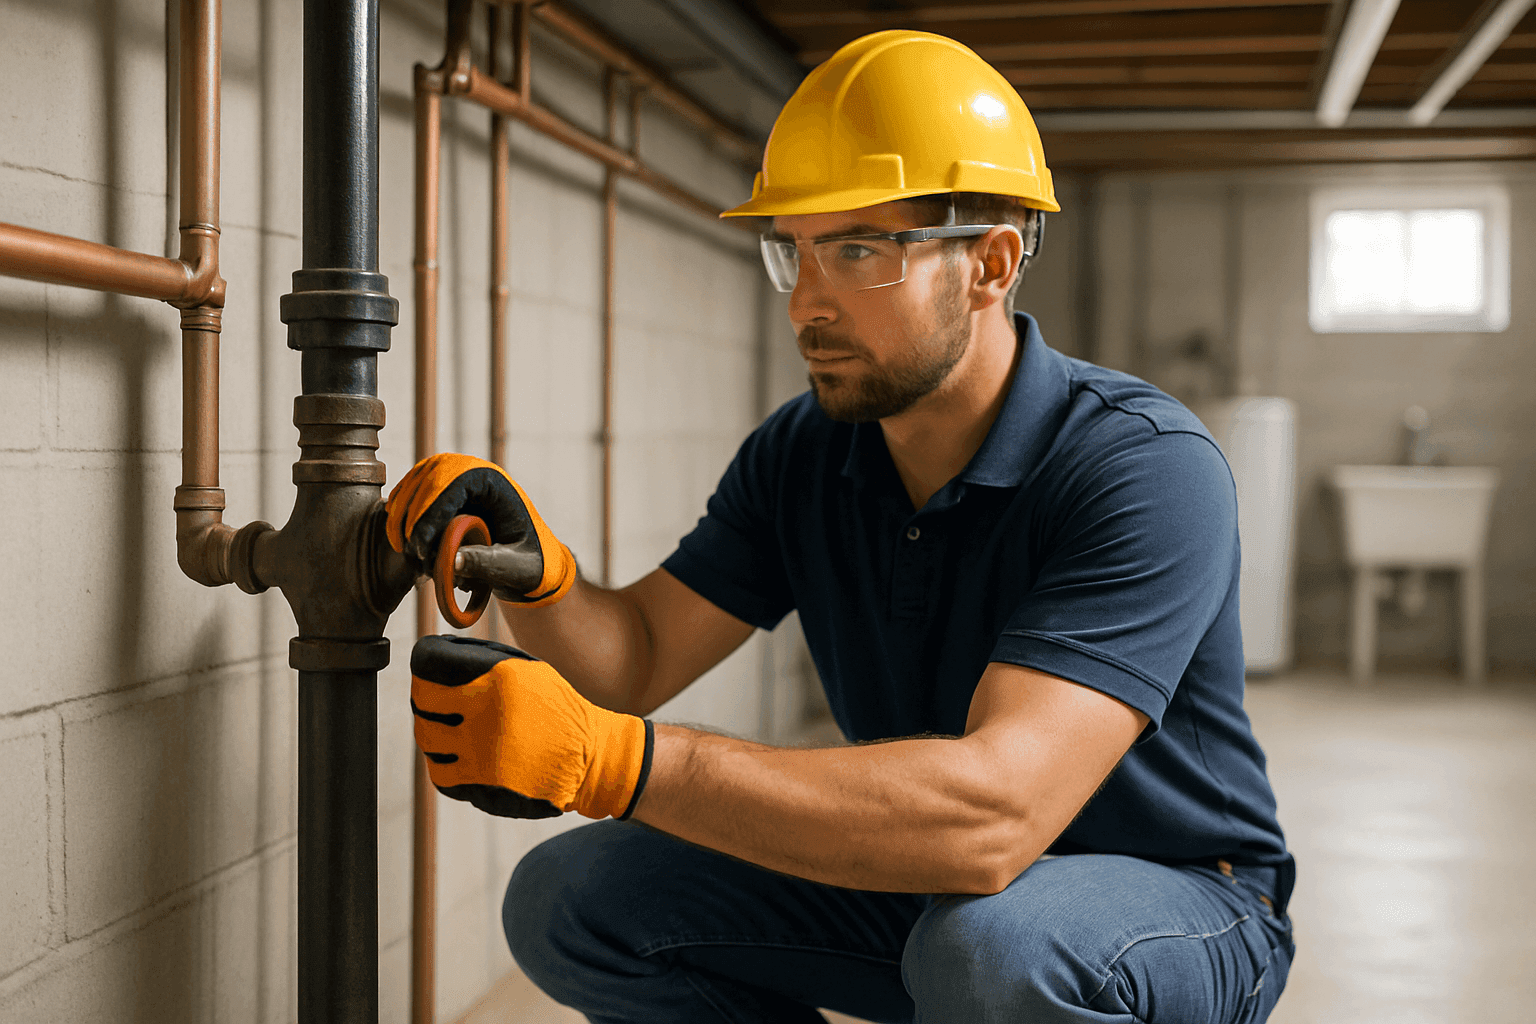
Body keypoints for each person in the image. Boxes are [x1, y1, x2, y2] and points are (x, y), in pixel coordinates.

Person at [385, 29, 1296, 1024]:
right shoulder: (806, 452)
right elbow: (635, 656)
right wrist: (543, 578)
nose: (808, 303)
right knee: (574, 899)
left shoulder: (1142, 466)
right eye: (796, 250)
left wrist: (628, 764)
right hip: (934, 875)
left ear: (990, 264)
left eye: (859, 249)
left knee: (993, 952)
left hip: (1176, 899)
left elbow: (995, 814)